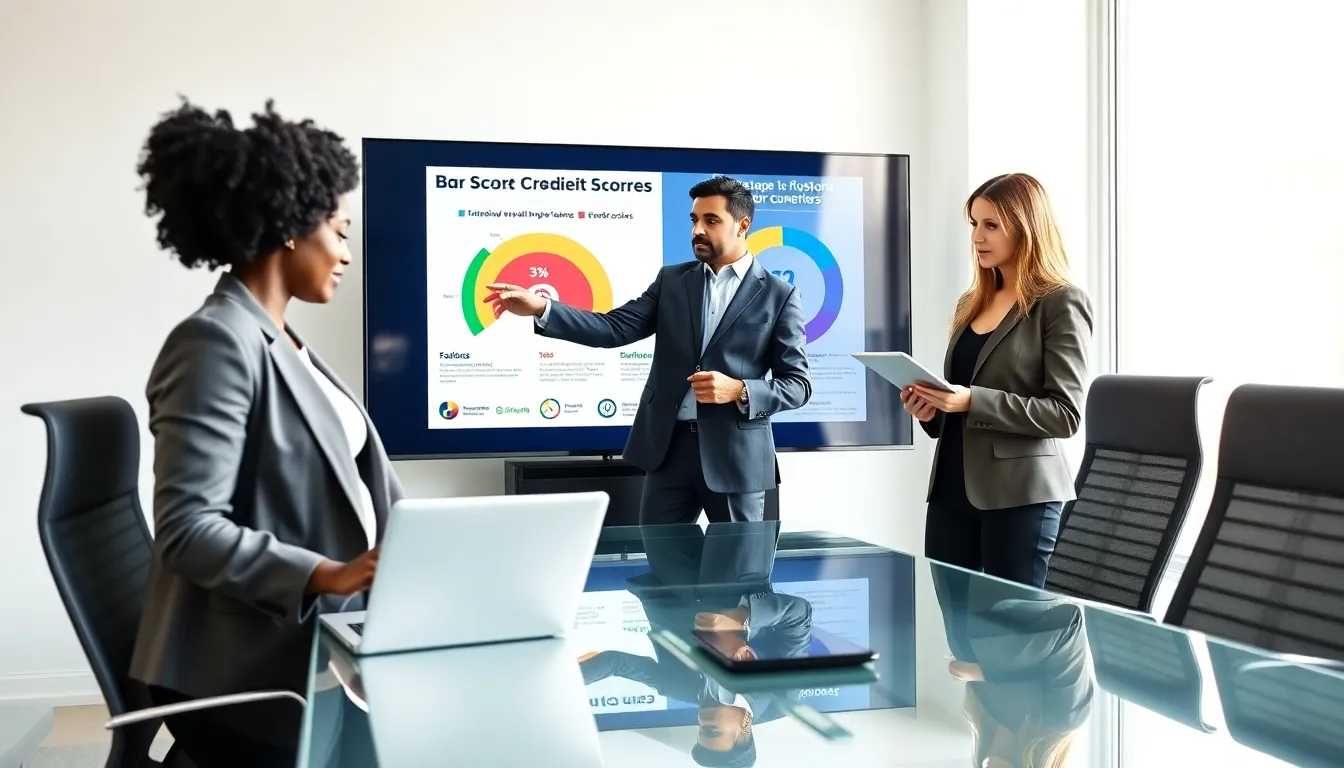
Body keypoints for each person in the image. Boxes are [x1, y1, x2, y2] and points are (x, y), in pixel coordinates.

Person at [126, 98, 402, 768]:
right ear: (292, 226)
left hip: (322, 639)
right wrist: (328, 575)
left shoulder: (277, 336)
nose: (345, 252)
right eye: (339, 231)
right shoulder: (215, 341)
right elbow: (189, 528)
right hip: (248, 674)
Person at [485, 175, 811, 525]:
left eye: (711, 221)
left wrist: (739, 390)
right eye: (694, 220)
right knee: (665, 569)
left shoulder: (780, 295)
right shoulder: (671, 281)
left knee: (737, 572)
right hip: (667, 452)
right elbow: (614, 328)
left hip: (736, 458)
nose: (697, 230)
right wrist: (541, 307)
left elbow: (798, 385)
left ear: (743, 225)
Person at [902, 173, 1092, 588]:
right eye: (973, 224)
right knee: (955, 637)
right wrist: (930, 410)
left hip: (1020, 497)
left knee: (1013, 637)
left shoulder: (1060, 303)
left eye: (991, 225)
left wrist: (972, 401)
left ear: (1025, 228)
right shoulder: (971, 303)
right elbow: (958, 397)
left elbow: (1065, 415)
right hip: (951, 493)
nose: (977, 237)